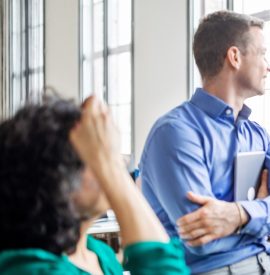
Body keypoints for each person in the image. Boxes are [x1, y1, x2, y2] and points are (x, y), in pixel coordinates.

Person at [139, 10, 270, 274]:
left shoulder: (257, 134)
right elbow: (203, 240)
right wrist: (264, 213)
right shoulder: (175, 132)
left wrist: (240, 214)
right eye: (262, 54)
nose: (269, 65)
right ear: (234, 57)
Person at [0, 95, 189, 274]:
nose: (114, 162)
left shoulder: (98, 253)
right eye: (93, 155)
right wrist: (111, 169)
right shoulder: (31, 269)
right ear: (57, 181)